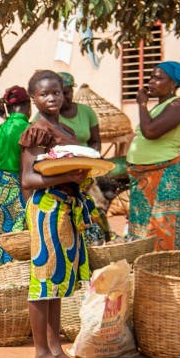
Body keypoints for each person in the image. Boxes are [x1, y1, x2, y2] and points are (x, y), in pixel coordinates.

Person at [20, 70, 94, 358]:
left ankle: (57, 351)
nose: (53, 98)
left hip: (65, 208)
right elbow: (29, 177)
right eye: (46, 94)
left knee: (59, 282)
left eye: (58, 93)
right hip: (46, 208)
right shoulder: (36, 131)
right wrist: (68, 176)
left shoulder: (64, 128)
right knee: (45, 280)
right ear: (33, 98)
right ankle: (40, 354)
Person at [127, 62, 180, 251]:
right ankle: (147, 278)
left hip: (166, 177)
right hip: (144, 178)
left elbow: (150, 131)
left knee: (164, 233)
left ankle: (169, 279)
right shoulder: (158, 107)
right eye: (150, 77)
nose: (151, 82)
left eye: (158, 78)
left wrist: (141, 104)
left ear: (173, 83)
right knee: (143, 236)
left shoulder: (179, 104)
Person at [54, 71, 110, 244]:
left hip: (86, 171)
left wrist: (90, 160)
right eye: (59, 92)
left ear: (72, 91)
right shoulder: (48, 116)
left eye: (66, 92)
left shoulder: (86, 112)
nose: (63, 97)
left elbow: (95, 141)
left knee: (94, 208)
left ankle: (98, 246)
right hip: (61, 173)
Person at [0, 86, 31, 268]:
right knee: (23, 240)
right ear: (28, 105)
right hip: (23, 189)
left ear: (7, 109)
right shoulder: (32, 130)